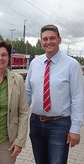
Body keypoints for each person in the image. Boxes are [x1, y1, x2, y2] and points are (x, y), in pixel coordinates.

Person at [25, 24, 84, 164]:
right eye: (45, 39)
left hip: (60, 124)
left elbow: (78, 97)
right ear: (41, 42)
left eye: (52, 38)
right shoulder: (35, 63)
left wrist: (76, 128)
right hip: (35, 122)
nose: (48, 42)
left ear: (59, 40)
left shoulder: (72, 65)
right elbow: (27, 92)